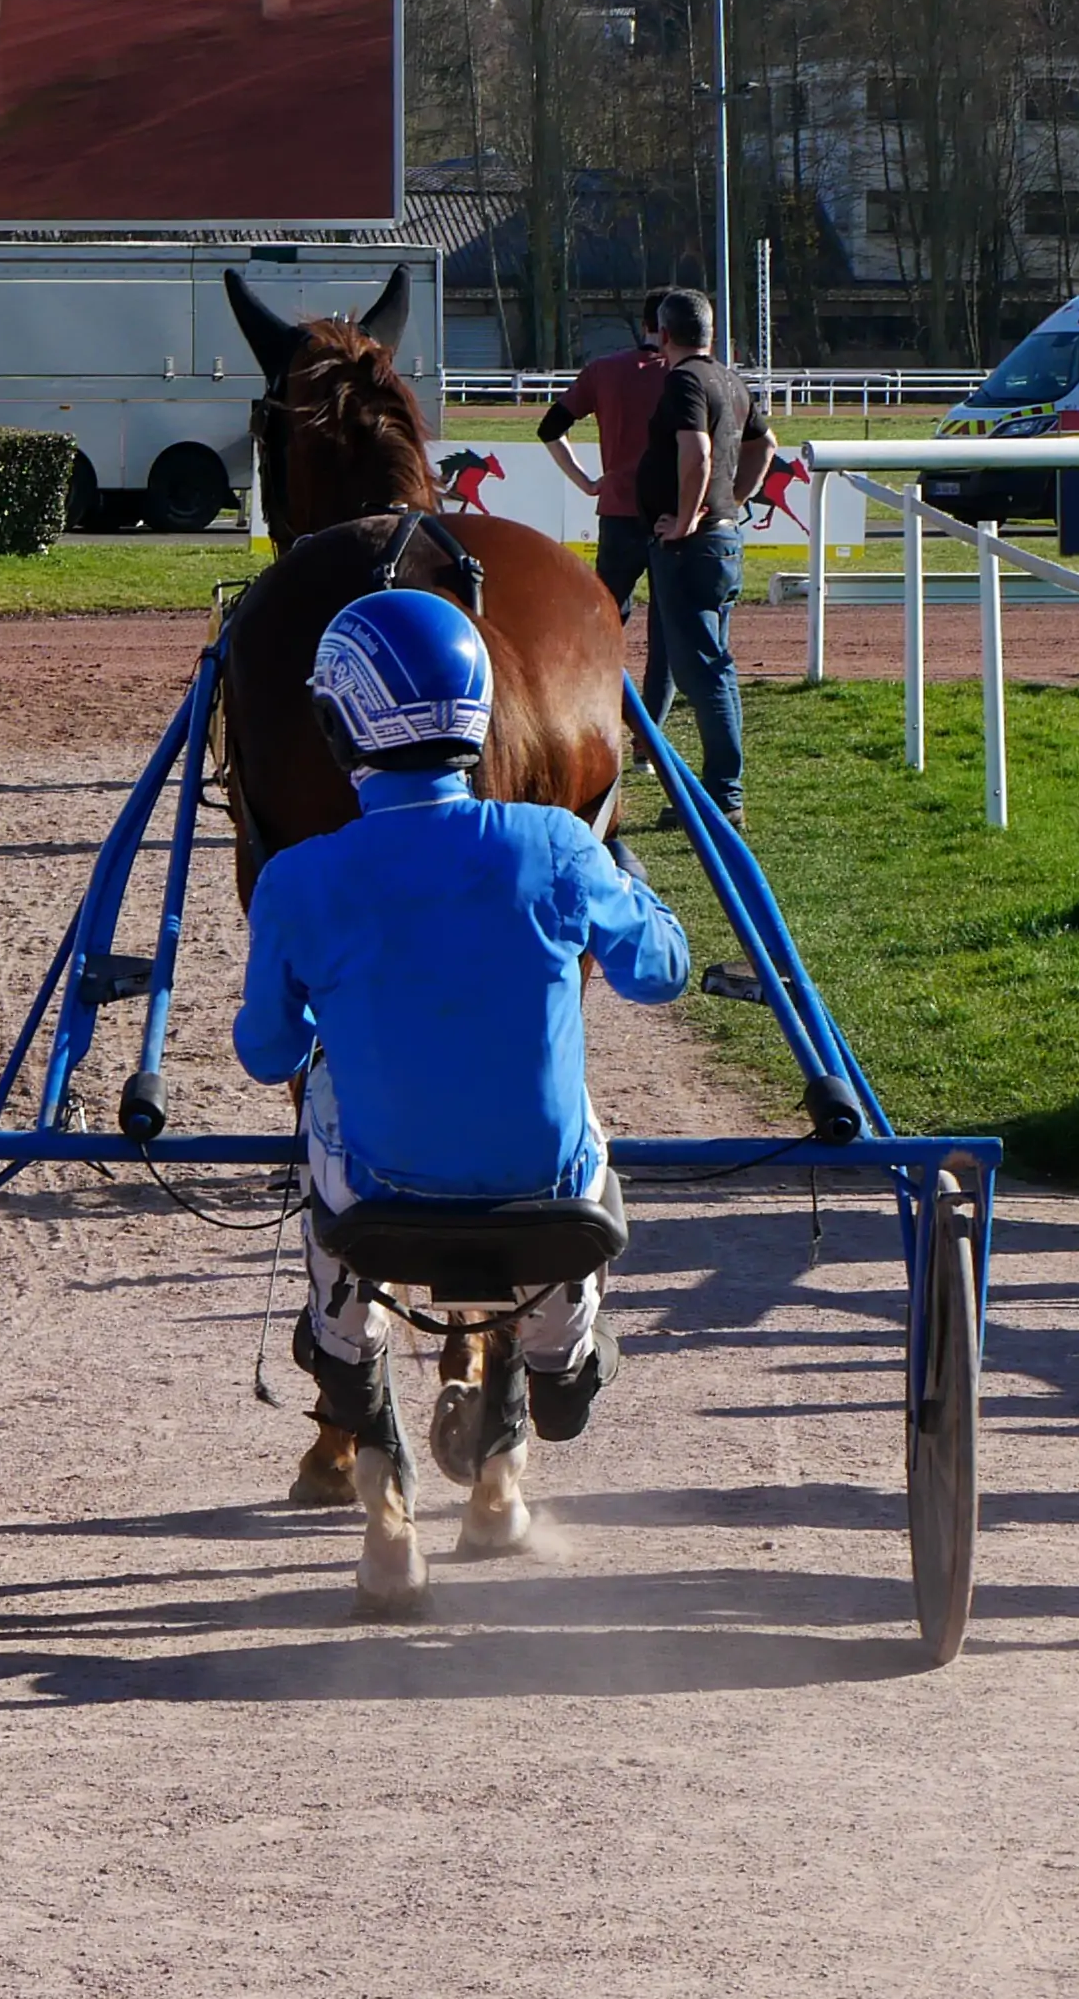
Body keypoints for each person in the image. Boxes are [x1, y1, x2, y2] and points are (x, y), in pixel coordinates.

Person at [235, 588, 693, 1616]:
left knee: (322, 1118)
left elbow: (267, 1051)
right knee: (578, 1116)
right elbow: (661, 973)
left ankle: (357, 1411)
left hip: (379, 1204)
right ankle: (559, 1357)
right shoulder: (557, 846)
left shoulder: (300, 879)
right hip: (554, 1204)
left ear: (337, 723)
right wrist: (625, 872)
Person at [631, 290, 772, 825]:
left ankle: (722, 797)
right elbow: (765, 445)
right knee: (718, 668)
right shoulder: (731, 380)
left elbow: (697, 453)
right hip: (724, 538)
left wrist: (688, 518)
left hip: (692, 546)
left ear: (662, 334)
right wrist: (733, 500)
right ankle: (724, 789)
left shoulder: (684, 381)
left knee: (704, 673)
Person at [536, 296, 675, 666]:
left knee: (606, 619)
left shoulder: (604, 370)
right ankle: (653, 716)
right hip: (674, 515)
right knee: (666, 627)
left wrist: (585, 482)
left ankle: (594, 695)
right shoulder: (686, 373)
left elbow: (550, 429)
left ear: (645, 323)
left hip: (617, 509)